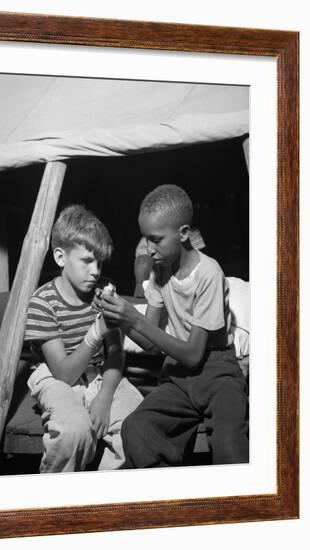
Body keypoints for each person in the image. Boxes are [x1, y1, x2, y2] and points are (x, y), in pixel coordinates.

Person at [98, 185, 248, 468]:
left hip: (217, 371)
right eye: (145, 240)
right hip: (177, 376)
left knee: (230, 444)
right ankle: (172, 498)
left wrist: (135, 318)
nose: (148, 250)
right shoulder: (159, 271)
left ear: (183, 233)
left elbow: (193, 353)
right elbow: (151, 344)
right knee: (136, 428)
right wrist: (120, 319)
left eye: (156, 240)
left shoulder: (208, 273)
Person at [24, 205, 143, 473]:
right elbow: (63, 375)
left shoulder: (102, 293)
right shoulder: (43, 303)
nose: (95, 271)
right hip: (55, 379)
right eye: (87, 261)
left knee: (139, 425)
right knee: (74, 432)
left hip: (101, 375)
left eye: (99, 262)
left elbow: (116, 353)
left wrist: (104, 396)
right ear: (60, 257)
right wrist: (96, 330)